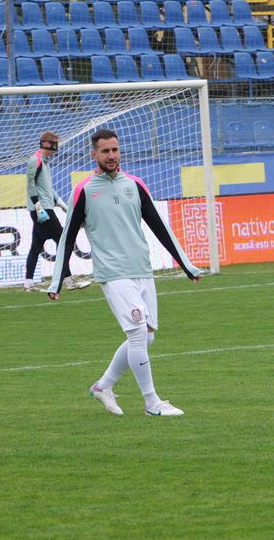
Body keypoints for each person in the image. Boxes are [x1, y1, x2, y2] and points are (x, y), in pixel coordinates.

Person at [48, 128, 201, 417]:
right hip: (113, 273)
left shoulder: (135, 184)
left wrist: (186, 265)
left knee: (147, 336)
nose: (111, 155)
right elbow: (67, 236)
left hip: (141, 269)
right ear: (94, 155)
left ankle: (103, 387)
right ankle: (152, 403)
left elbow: (159, 227)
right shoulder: (84, 190)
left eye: (115, 150)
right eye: (105, 151)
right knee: (137, 335)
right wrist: (58, 280)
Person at [22, 131, 69, 291]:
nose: (57, 149)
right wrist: (38, 207)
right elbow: (30, 186)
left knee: (36, 245)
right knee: (62, 239)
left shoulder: (45, 162)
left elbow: (48, 189)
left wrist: (62, 205)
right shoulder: (35, 160)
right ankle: (67, 278)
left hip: (46, 207)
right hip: (42, 209)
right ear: (48, 144)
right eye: (55, 144)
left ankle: (28, 282)